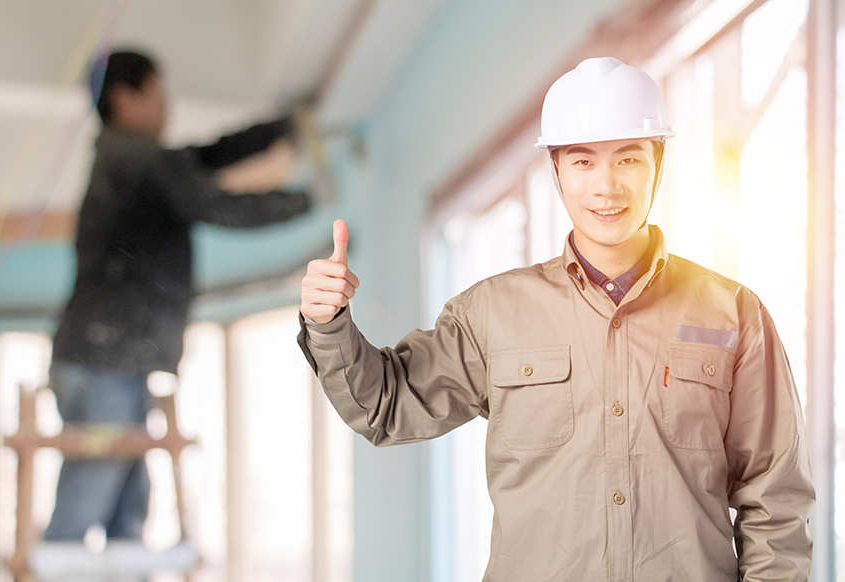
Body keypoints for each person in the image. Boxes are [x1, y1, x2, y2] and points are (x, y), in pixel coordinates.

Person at [297, 57, 813, 580]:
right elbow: (385, 406)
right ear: (558, 172)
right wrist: (329, 322)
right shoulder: (492, 313)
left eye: (628, 159)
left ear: (658, 162)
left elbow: (776, 499)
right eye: (584, 162)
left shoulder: (733, 314)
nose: (606, 186)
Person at [45, 49, 312, 542]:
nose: (167, 106)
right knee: (86, 501)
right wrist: (308, 199)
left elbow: (207, 156)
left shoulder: (127, 159)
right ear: (126, 97)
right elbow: (214, 203)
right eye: (158, 93)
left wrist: (282, 127)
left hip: (103, 357)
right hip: (107, 360)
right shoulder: (135, 159)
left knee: (127, 506)